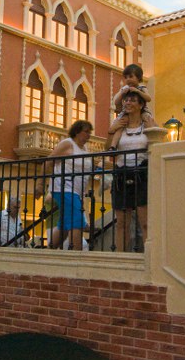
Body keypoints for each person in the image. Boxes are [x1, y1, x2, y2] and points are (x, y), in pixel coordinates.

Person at [107, 90, 159, 252]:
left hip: (142, 174)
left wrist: (149, 122)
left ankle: (149, 259)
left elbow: (157, 140)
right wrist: (111, 130)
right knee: (122, 223)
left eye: (132, 100)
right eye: (126, 100)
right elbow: (108, 149)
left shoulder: (147, 123)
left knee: (145, 221)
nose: (127, 103)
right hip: (122, 174)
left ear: (141, 105)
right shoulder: (119, 125)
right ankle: (121, 258)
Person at [35, 120, 95, 250]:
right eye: (86, 132)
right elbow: (48, 162)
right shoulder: (68, 144)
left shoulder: (84, 149)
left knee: (64, 225)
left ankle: (48, 253)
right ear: (77, 132)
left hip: (75, 192)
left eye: (90, 132)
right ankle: (76, 257)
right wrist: (40, 184)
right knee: (76, 221)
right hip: (64, 188)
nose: (89, 135)